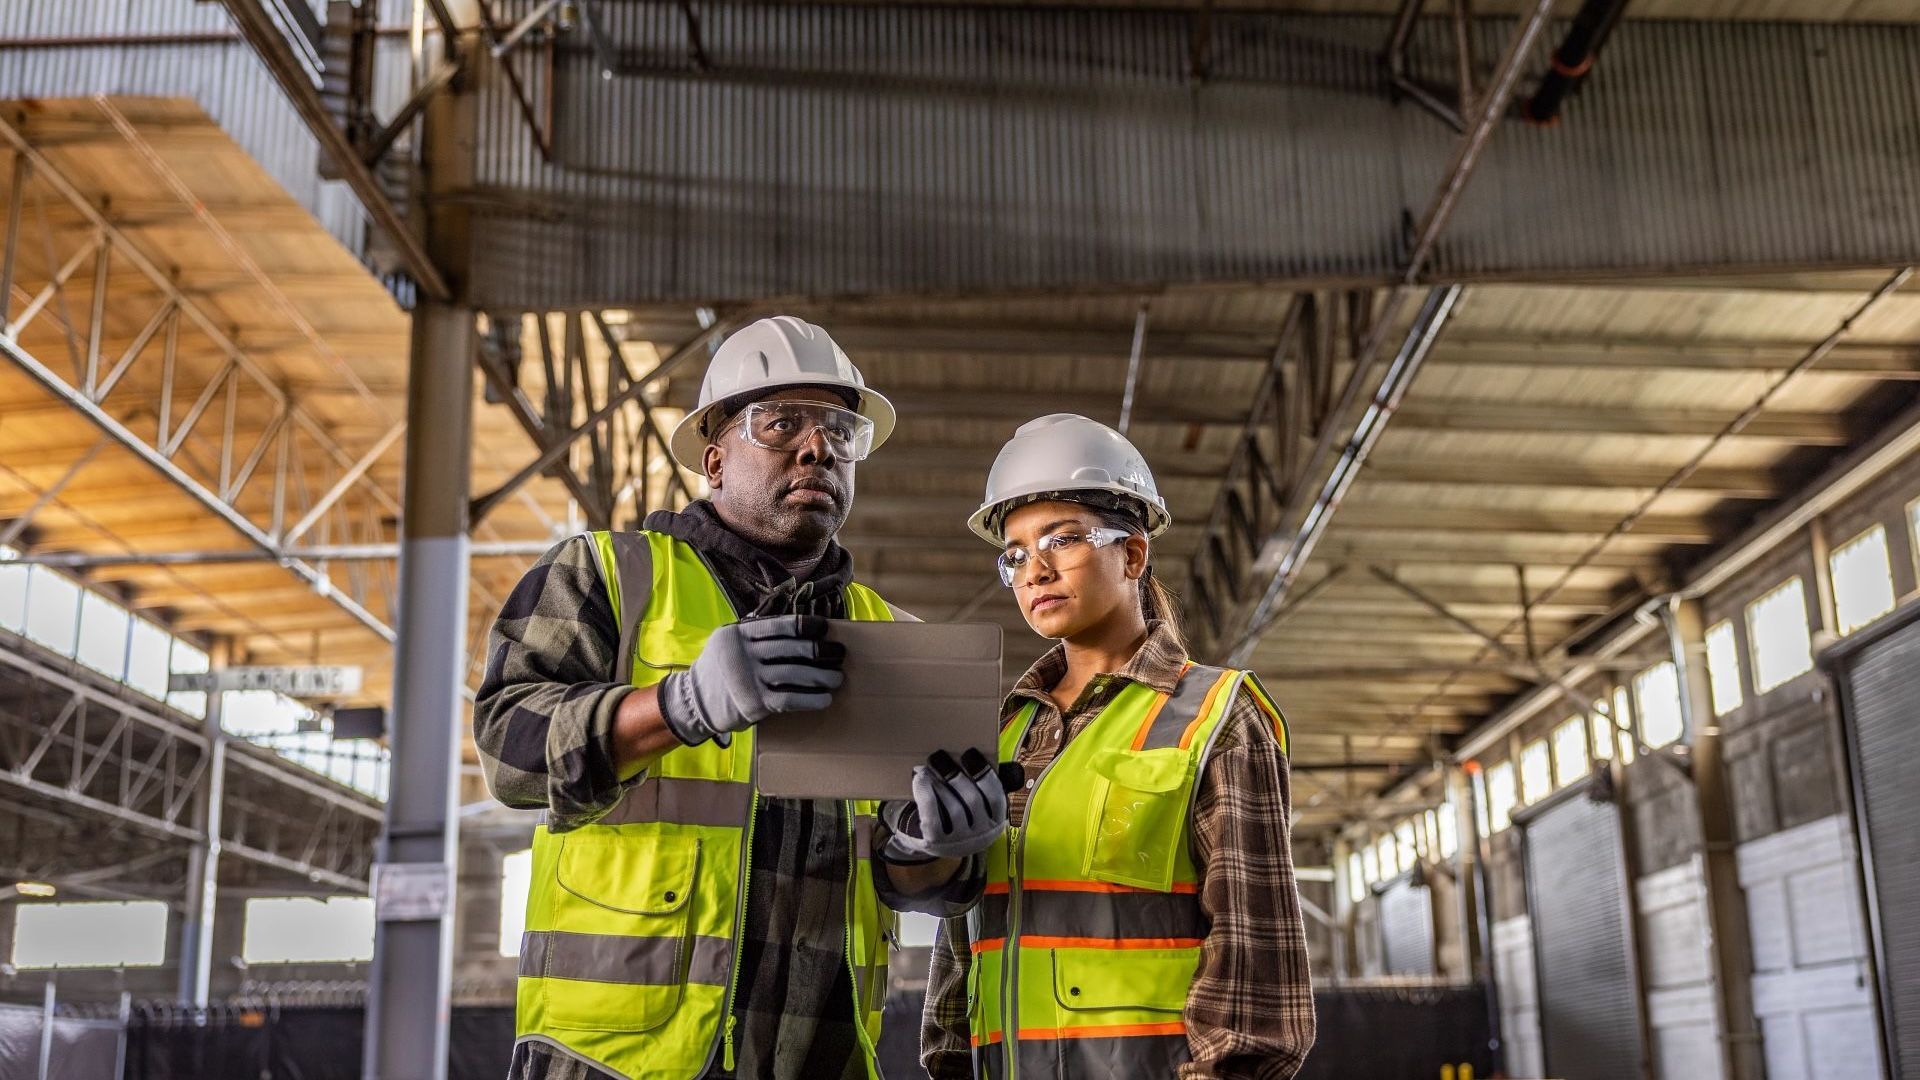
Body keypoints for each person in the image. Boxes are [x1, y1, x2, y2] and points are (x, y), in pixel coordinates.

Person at [475, 316, 1010, 1080]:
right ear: (715, 457)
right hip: (615, 1058)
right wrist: (676, 708)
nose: (817, 446)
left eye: (839, 430)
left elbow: (908, 882)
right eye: (781, 423)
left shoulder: (892, 638)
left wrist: (937, 849)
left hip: (821, 1055)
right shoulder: (609, 576)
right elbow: (507, 752)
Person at [921, 414, 1316, 1079]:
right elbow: (958, 954)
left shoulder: (1216, 716)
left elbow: (1257, 978)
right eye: (1015, 552)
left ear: (1132, 554)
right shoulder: (999, 734)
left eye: (1063, 539)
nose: (1035, 569)